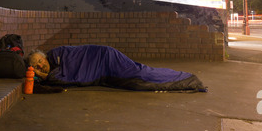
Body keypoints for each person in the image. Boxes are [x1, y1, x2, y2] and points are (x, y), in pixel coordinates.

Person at [26, 45, 207, 92]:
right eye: (36, 66)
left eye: (39, 60)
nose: (40, 65)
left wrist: (43, 75)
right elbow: (62, 79)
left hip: (106, 59)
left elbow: (61, 77)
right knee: (135, 81)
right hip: (104, 72)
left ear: (44, 56)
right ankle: (185, 79)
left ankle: (187, 79)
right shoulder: (53, 74)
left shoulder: (58, 53)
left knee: (140, 74)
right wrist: (43, 76)